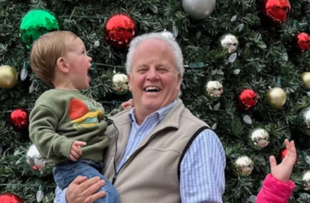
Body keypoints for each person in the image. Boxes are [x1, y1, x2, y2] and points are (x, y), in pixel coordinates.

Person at [55, 32, 226, 203]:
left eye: (162, 69)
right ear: (130, 80)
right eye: (142, 69)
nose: (151, 76)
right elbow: (65, 182)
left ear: (177, 79)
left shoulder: (197, 138)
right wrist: (69, 198)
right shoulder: (108, 128)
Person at [29, 31, 119, 203]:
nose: (89, 58)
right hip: (72, 166)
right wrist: (63, 144)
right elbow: (38, 131)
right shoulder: (50, 99)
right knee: (106, 196)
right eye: (83, 52)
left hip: (94, 165)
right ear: (64, 65)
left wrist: (122, 111)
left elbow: (102, 124)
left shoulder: (87, 101)